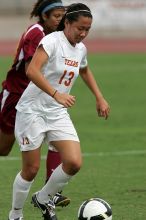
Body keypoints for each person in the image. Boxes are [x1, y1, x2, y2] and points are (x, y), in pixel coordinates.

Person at [8, 3, 110, 220]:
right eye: (79, 28)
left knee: (74, 162)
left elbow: (84, 69)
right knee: (31, 169)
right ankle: (15, 214)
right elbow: (32, 71)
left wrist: (99, 97)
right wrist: (56, 94)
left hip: (56, 112)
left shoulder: (81, 49)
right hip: (32, 111)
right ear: (67, 23)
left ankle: (43, 198)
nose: (83, 33)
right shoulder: (51, 41)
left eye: (87, 29)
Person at [0, 0, 70, 207]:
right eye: (56, 16)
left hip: (41, 98)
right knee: (3, 149)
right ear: (44, 16)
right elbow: (33, 71)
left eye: (62, 16)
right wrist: (55, 92)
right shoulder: (36, 32)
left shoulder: (58, 36)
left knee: (58, 137)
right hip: (17, 96)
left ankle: (51, 191)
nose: (60, 20)